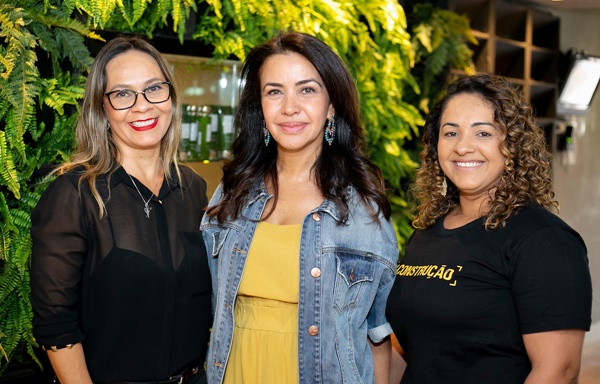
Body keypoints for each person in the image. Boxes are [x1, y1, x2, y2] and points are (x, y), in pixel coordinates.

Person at [200, 31, 398, 384]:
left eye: (307, 89)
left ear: (331, 105)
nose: (289, 107)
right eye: (274, 91)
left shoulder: (363, 211)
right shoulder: (232, 194)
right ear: (260, 107)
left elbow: (376, 333)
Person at [385, 73, 593, 383]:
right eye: (450, 133)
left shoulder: (543, 240)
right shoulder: (426, 233)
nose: (463, 147)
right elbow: (412, 353)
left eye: (483, 133)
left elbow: (558, 372)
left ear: (512, 144)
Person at [30, 36, 211, 384]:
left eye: (154, 89)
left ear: (170, 97)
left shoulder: (193, 188)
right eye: (123, 94)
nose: (142, 106)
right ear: (102, 108)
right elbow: (55, 323)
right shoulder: (75, 195)